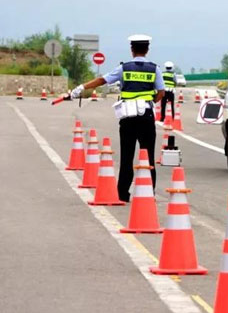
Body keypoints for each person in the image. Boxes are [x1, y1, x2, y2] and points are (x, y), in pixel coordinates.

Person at [70, 35, 165, 202]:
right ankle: (149, 193)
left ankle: (122, 193)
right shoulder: (155, 69)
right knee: (148, 155)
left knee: (127, 156)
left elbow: (102, 80)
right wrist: (151, 101)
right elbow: (161, 93)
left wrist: (81, 87)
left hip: (128, 117)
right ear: (147, 49)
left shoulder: (124, 68)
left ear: (132, 49)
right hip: (146, 116)